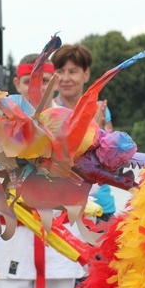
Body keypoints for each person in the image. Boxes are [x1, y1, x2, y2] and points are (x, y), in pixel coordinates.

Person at [0, 54, 88, 288]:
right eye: (31, 82)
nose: (37, 88)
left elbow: (86, 185)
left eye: (44, 82)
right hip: (12, 248)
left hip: (59, 251)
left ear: (52, 84)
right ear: (17, 84)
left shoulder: (74, 127)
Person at [51, 43, 117, 224]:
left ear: (86, 74)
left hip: (102, 208)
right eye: (60, 71)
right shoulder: (50, 112)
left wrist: (101, 132)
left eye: (73, 72)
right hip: (64, 210)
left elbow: (111, 162)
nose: (65, 78)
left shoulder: (100, 109)